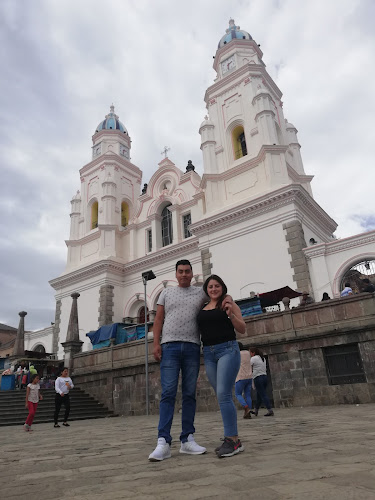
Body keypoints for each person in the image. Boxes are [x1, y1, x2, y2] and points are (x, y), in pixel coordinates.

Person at [148, 260, 232, 462]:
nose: (184, 275)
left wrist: (228, 298)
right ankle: (163, 442)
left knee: (189, 394)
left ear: (192, 274)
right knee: (168, 392)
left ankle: (187, 439)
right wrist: (156, 343)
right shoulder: (166, 293)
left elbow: (217, 294)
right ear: (175, 274)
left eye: (187, 271)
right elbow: (158, 320)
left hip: (193, 346)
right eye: (181, 272)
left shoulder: (199, 293)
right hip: (169, 346)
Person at [197, 274, 246, 458]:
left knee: (224, 394)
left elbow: (242, 328)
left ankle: (232, 439)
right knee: (221, 395)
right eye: (210, 286)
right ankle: (234, 439)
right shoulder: (202, 307)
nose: (214, 289)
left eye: (217, 286)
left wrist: (231, 314)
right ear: (206, 290)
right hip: (209, 354)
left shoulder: (228, 304)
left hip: (227, 349)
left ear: (222, 287)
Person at [250, 347, 274, 417]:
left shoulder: (253, 358)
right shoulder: (262, 358)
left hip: (258, 377)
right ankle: (256, 410)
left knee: (263, 394)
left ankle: (270, 410)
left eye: (250, 353)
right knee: (259, 395)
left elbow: (249, 367)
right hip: (264, 376)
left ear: (253, 352)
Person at [235, 342, 253, 419]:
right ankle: (249, 410)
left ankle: (246, 408)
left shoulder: (237, 354)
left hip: (240, 377)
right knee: (248, 395)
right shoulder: (248, 353)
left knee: (238, 394)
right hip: (249, 376)